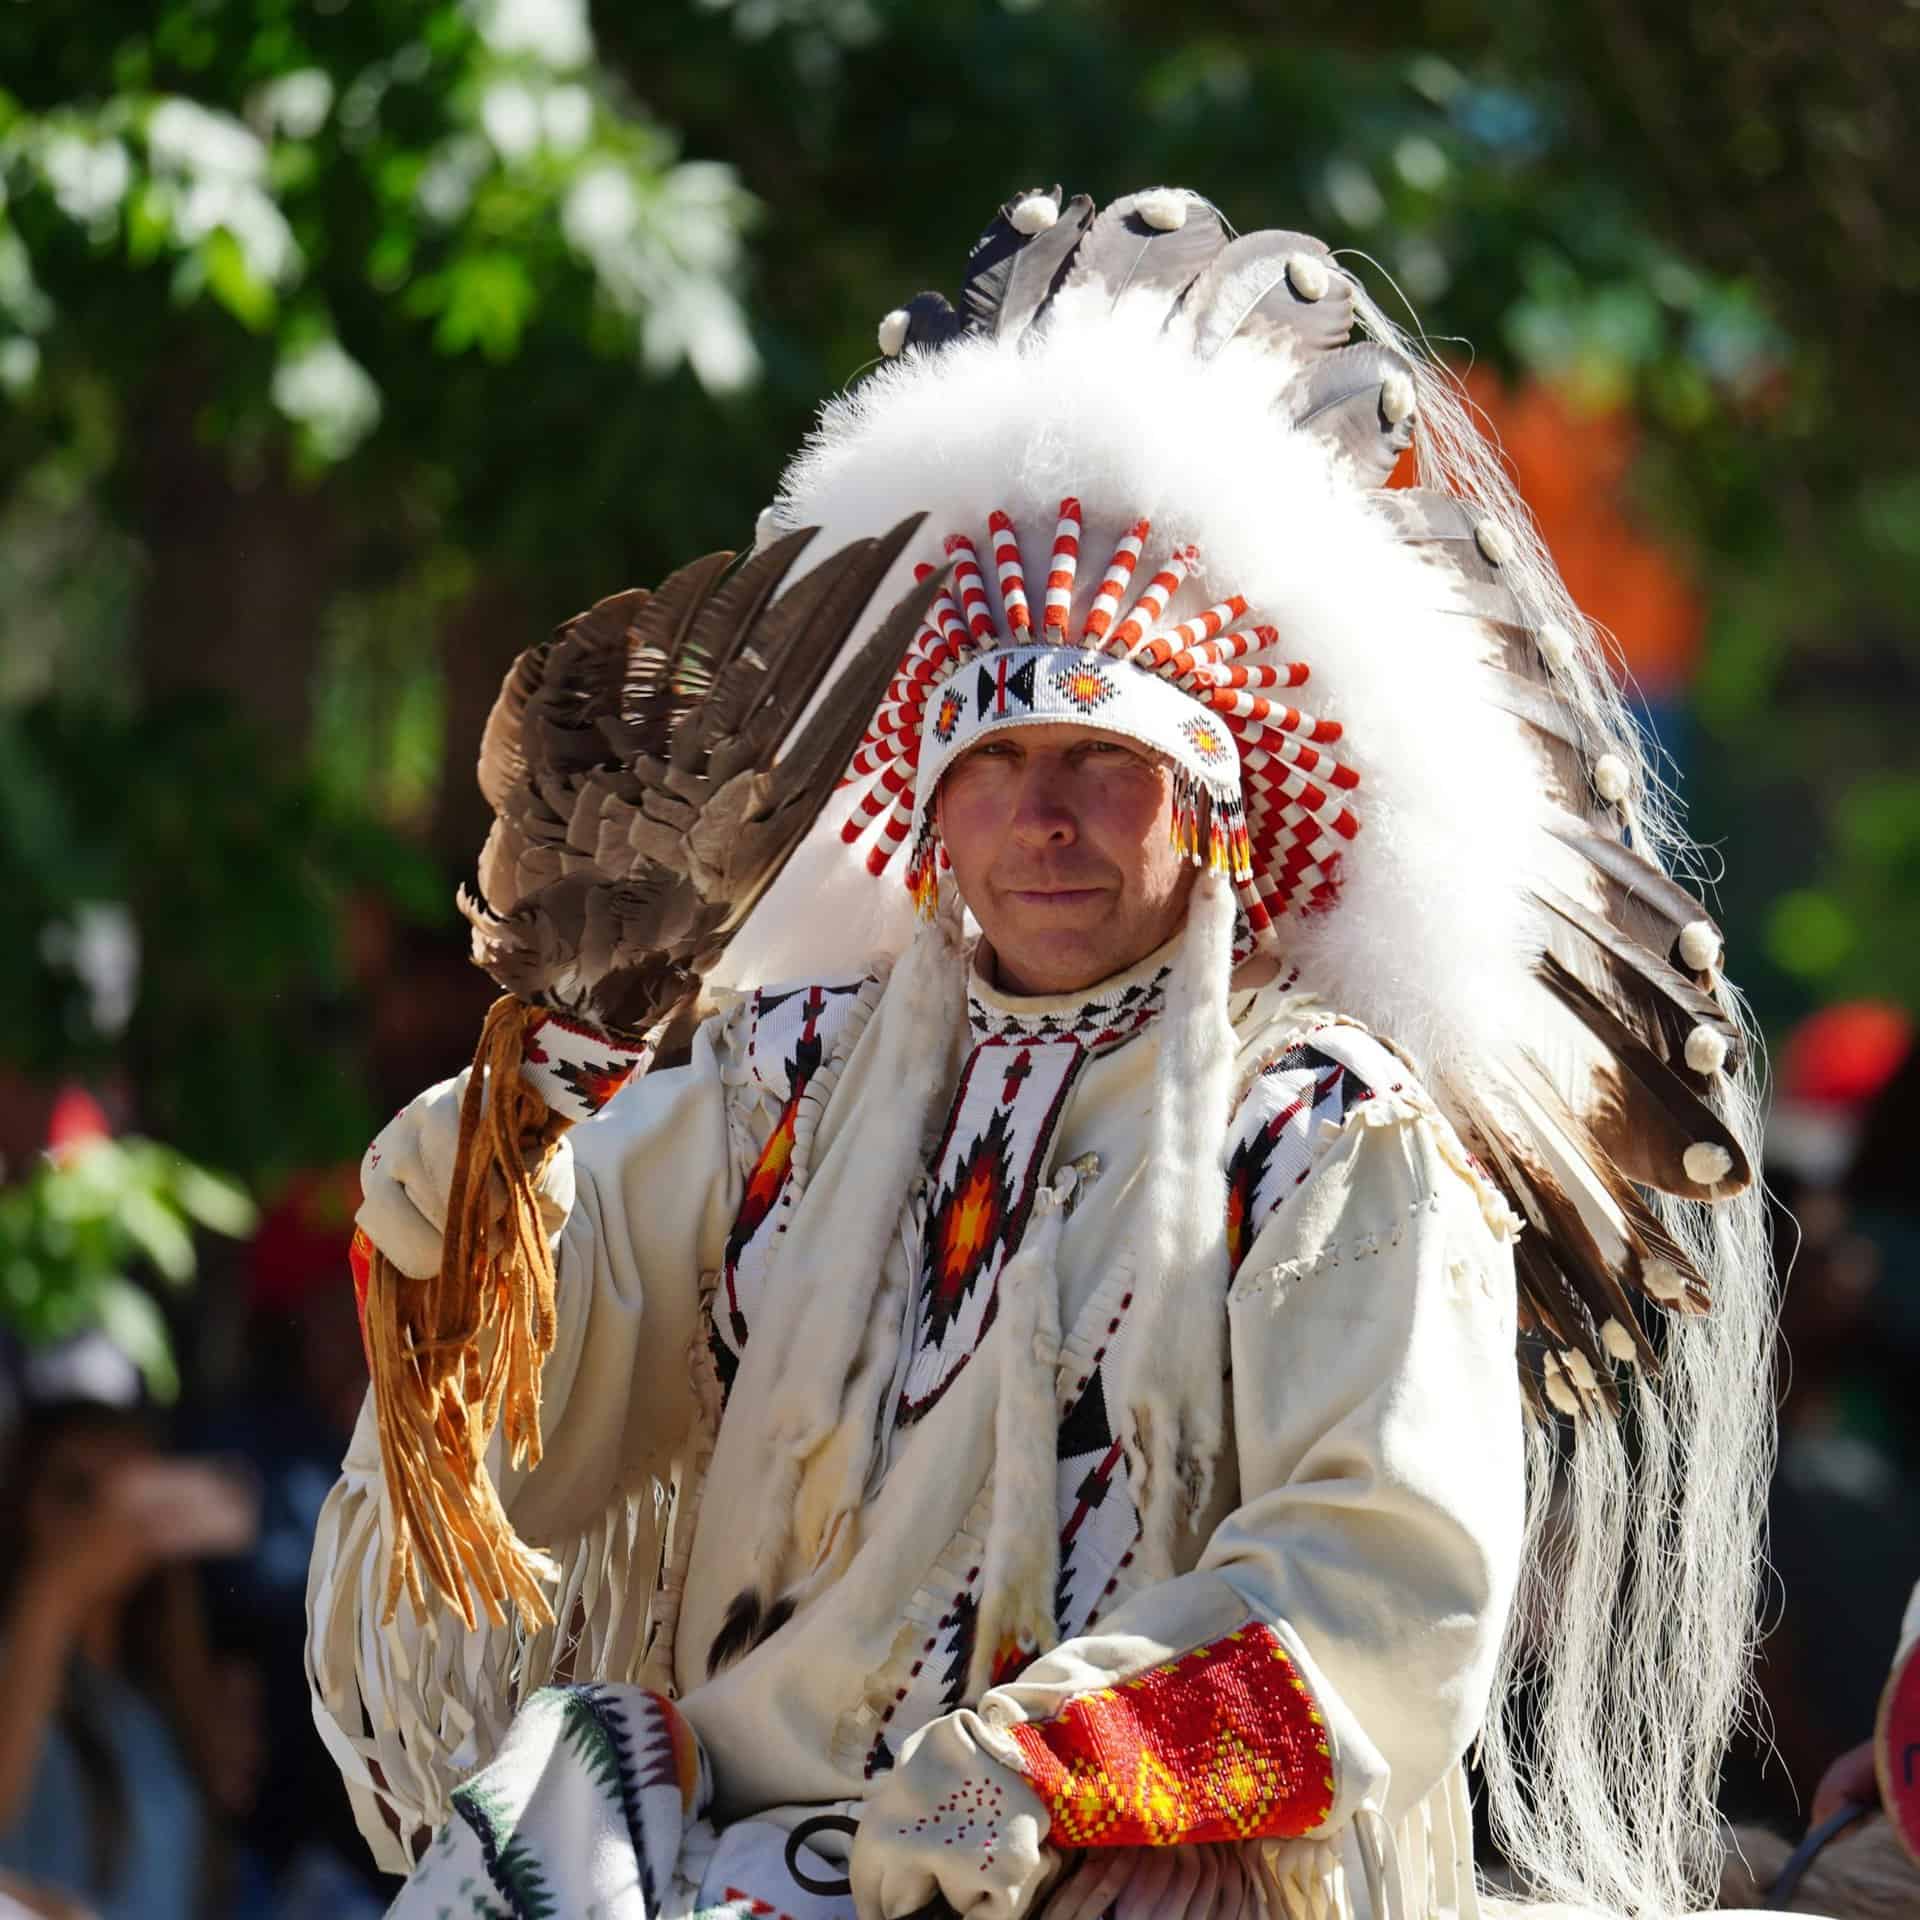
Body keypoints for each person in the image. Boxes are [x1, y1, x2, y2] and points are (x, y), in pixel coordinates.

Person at [309, 188, 1777, 1920]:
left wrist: (1057, 1763)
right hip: (747, 1846)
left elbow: (1386, 1583)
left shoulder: (1319, 1133)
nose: (1049, 818)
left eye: (1107, 762)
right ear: (929, 827)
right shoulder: (773, 1085)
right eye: (996, 770)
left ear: (1222, 819)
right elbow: (540, 1427)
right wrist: (481, 1227)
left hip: (1132, 1861)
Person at [0, 1389, 257, 1920]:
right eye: (76, 1492)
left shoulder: (160, 1698)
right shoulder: (16, 1668)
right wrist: (54, 1591)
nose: (106, 1519)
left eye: (130, 1497)